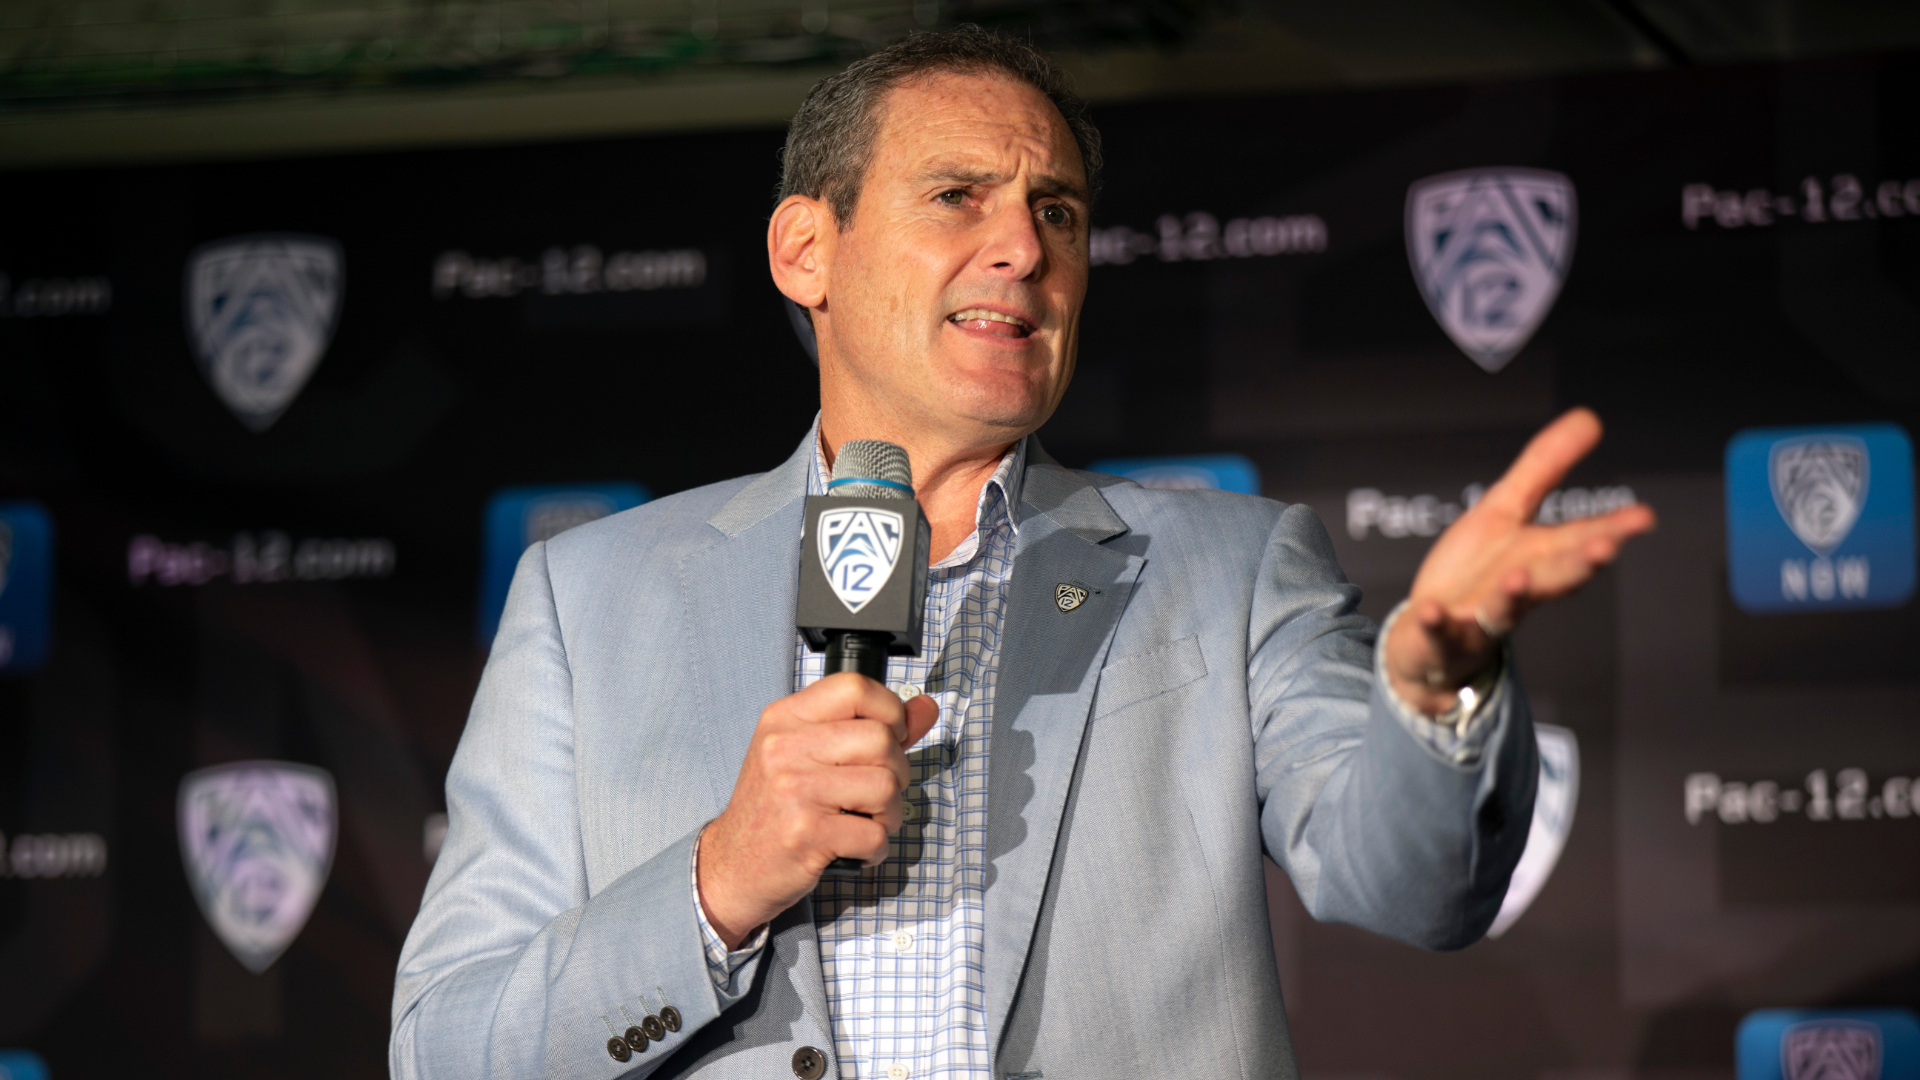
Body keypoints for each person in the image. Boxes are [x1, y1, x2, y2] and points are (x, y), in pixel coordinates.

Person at [390, 26, 1654, 1080]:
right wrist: (718, 881)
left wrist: (1441, 692)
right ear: (805, 251)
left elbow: (1418, 887)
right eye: (957, 196)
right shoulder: (589, 596)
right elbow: (447, 1048)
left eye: (1057, 210)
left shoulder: (1228, 567)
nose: (1024, 247)